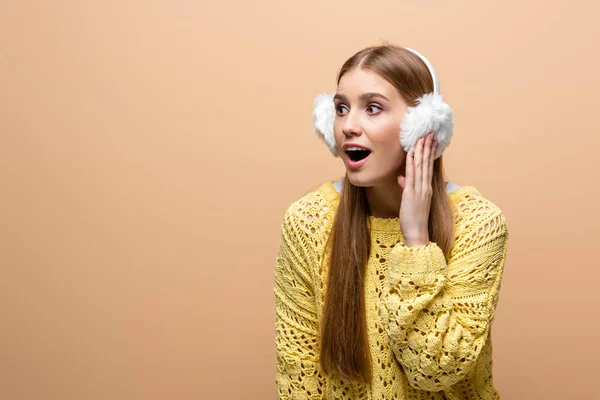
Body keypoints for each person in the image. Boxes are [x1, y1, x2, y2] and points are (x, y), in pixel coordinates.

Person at [273, 44, 509, 400]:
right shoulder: (308, 221)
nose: (349, 126)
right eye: (340, 109)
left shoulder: (478, 223)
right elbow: (299, 371)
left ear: (422, 126)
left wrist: (416, 240)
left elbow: (436, 369)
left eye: (372, 108)